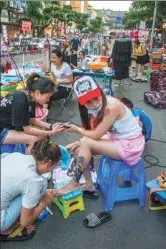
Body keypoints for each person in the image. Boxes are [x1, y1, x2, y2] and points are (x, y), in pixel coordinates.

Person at [56, 76, 145, 197]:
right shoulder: (99, 107)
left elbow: (96, 134)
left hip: (131, 145)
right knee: (78, 148)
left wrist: (77, 130)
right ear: (82, 103)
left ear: (100, 92)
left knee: (85, 143)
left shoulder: (111, 107)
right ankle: (88, 184)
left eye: (95, 98)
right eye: (88, 102)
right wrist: (79, 141)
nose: (94, 105)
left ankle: (73, 182)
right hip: (117, 138)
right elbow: (96, 133)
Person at [0, 138, 61, 242]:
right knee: (41, 184)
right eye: (55, 166)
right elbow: (25, 223)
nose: (53, 169)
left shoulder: (17, 156)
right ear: (49, 163)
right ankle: (6, 231)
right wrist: (45, 201)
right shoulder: (34, 181)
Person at [0, 73, 64, 150]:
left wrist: (51, 126)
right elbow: (28, 129)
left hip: (10, 125)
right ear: (37, 93)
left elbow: (32, 120)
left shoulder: (30, 98)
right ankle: (31, 160)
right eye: (48, 97)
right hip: (2, 130)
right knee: (35, 140)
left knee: (42, 132)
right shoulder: (21, 99)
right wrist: (51, 132)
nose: (48, 100)